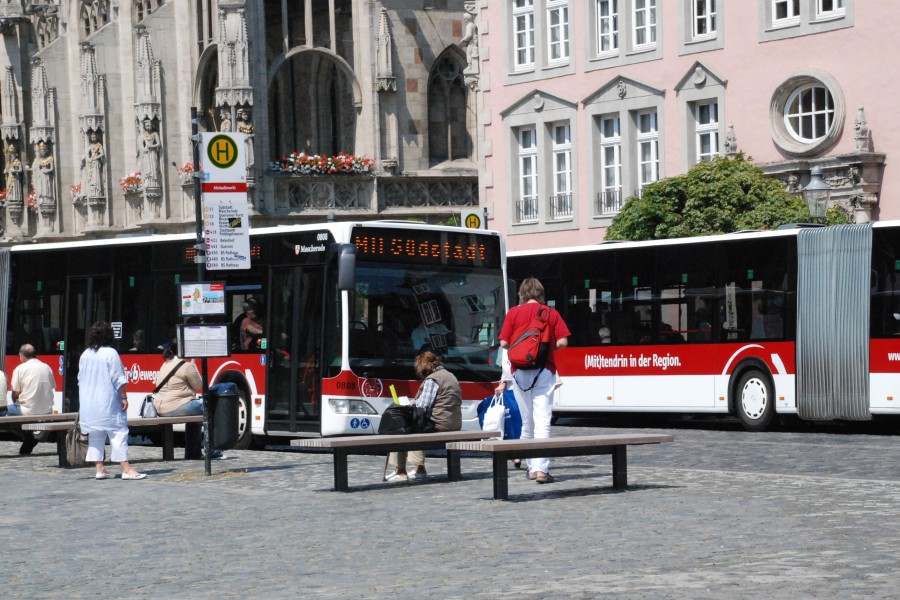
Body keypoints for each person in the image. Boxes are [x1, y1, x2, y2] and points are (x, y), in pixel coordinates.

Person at [498, 278, 571, 484]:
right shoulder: (550, 313)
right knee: (543, 420)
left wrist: (522, 350)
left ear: (522, 294)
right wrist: (544, 350)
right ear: (540, 294)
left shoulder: (513, 313)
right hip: (544, 371)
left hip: (519, 372)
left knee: (527, 420)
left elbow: (504, 342)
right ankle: (541, 470)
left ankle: (530, 468)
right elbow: (563, 341)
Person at [78, 321, 146, 480]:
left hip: (88, 402)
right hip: (107, 401)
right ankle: (126, 469)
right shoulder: (111, 353)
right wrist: (124, 397)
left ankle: (99, 468)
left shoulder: (85, 354)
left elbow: (80, 378)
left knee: (95, 434)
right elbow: (118, 379)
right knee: (118, 432)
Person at [384, 351, 462, 482]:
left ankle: (402, 470)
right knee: (415, 424)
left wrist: (408, 403)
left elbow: (423, 406)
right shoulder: (450, 375)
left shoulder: (433, 379)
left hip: (439, 423)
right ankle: (417, 468)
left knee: (402, 427)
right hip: (454, 422)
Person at [152, 343, 222, 460]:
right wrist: (193, 366)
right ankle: (212, 448)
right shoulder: (187, 366)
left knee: (195, 414)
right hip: (176, 405)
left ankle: (193, 452)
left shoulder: (166, 363)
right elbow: (199, 385)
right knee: (210, 408)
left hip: (160, 406)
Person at [8, 343, 56, 455]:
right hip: (47, 410)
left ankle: (28, 437)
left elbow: (15, 394)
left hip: (27, 410)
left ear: (22, 355)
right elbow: (51, 387)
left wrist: (16, 401)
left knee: (5, 413)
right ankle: (29, 438)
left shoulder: (20, 368)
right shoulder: (47, 367)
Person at [139, 118, 161, 189]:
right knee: (147, 167)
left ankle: (155, 183)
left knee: (154, 166)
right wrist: (144, 149)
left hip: (153, 153)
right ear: (145, 126)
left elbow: (158, 144)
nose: (148, 128)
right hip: (147, 153)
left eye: (149, 126)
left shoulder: (155, 134)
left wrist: (152, 146)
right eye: (147, 126)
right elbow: (140, 144)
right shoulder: (143, 135)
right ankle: (147, 182)